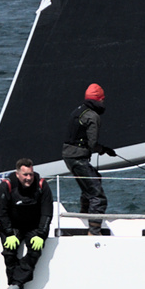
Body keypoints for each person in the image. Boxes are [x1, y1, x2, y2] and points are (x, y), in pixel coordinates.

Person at [60, 80, 117, 234]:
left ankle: (84, 217)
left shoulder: (78, 110)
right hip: (78, 157)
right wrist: (104, 149)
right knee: (98, 197)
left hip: (69, 156)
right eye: (103, 99)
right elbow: (92, 144)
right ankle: (93, 232)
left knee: (93, 182)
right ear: (99, 100)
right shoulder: (93, 116)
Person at [0, 159, 53, 289]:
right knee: (9, 252)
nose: (28, 178)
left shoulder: (41, 185)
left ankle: (16, 283)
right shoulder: (7, 185)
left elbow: (47, 213)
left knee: (35, 250)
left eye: (31, 174)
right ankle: (16, 285)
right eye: (25, 175)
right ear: (17, 174)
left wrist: (41, 234)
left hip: (33, 226)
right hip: (13, 226)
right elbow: (1, 212)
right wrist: (9, 233)